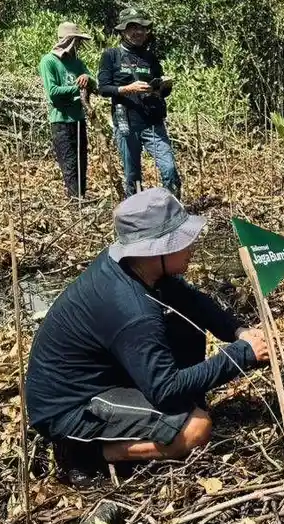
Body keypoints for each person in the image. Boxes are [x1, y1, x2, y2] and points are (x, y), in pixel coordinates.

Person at [24, 188, 269, 485]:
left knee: (186, 321)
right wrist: (242, 354)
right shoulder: (133, 310)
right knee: (196, 429)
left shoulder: (137, 268)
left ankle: (165, 414)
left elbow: (193, 301)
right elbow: (165, 389)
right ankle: (87, 453)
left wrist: (238, 331)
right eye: (183, 240)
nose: (192, 245)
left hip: (105, 376)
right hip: (72, 407)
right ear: (157, 250)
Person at [99, 7, 180, 198]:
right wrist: (128, 89)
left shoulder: (150, 58)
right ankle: (137, 217)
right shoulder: (111, 56)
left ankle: (173, 208)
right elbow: (104, 89)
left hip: (153, 122)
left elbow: (161, 89)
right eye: (132, 28)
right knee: (133, 175)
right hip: (126, 122)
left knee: (168, 168)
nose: (138, 32)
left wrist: (163, 87)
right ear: (122, 31)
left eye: (141, 28)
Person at [39, 22, 98, 199]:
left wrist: (88, 78)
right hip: (60, 121)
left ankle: (81, 198)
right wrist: (78, 88)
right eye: (76, 41)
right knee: (70, 163)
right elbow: (53, 93)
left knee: (82, 161)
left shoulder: (78, 63)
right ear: (68, 41)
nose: (78, 45)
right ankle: (75, 202)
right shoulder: (48, 61)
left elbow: (95, 85)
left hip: (78, 119)